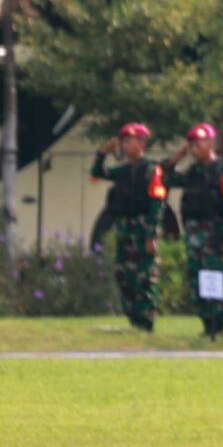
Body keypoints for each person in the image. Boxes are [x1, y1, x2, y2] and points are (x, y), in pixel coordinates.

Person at [168, 124, 223, 339]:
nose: (194, 149)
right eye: (191, 145)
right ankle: (206, 322)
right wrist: (175, 159)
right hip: (194, 235)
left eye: (198, 144)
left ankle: (217, 326)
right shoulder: (192, 172)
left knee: (215, 279)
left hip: (215, 235)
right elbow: (166, 179)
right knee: (197, 280)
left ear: (210, 144)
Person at [89, 123, 167, 331]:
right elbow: (97, 173)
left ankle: (146, 319)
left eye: (129, 141)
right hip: (125, 229)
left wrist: (152, 235)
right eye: (123, 142)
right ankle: (133, 318)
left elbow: (156, 205)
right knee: (124, 274)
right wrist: (102, 153)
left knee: (144, 275)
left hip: (143, 228)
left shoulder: (151, 170)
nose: (124, 146)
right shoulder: (121, 171)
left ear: (142, 143)